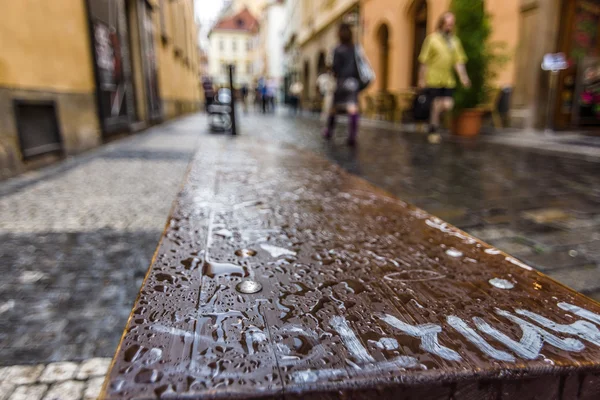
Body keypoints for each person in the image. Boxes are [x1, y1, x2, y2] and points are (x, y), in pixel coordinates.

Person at [418, 12, 471, 134]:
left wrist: (464, 78)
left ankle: (433, 121)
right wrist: (421, 79)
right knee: (436, 103)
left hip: (448, 80)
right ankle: (434, 129)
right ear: (441, 24)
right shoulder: (431, 39)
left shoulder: (455, 42)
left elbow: (459, 62)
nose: (449, 27)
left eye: (451, 24)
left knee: (447, 104)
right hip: (433, 78)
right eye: (447, 24)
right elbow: (423, 61)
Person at [323, 23, 361, 146]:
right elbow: (358, 65)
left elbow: (335, 67)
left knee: (334, 108)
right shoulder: (355, 48)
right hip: (353, 82)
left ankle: (329, 131)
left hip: (341, 81)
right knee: (352, 108)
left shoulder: (337, 49)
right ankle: (352, 135)